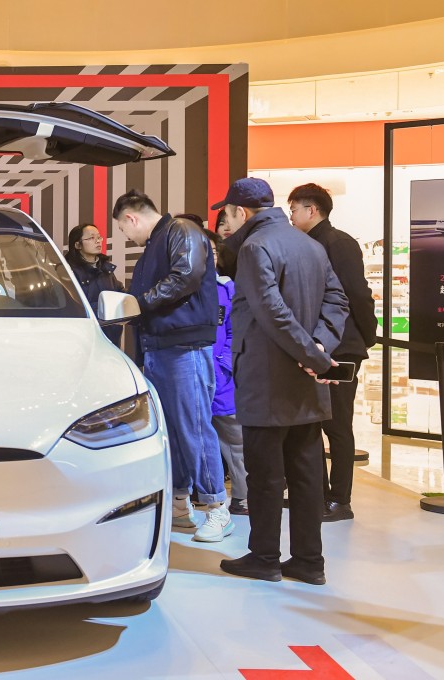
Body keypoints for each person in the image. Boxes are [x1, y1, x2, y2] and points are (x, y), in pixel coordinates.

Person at [214, 178, 349, 586]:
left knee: (266, 475)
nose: (227, 221)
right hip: (305, 383)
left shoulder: (256, 247)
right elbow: (337, 301)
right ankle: (309, 561)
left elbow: (270, 312)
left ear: (242, 212)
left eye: (229, 213)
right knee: (307, 474)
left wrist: (313, 355)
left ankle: (265, 557)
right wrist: (320, 349)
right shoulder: (310, 244)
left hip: (267, 380)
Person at [113, 190, 230, 543]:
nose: (125, 237)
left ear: (131, 218)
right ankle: (180, 505)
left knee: (194, 427)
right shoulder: (158, 241)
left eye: (122, 229)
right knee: (174, 432)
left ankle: (217, 508)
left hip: (185, 347)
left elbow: (186, 276)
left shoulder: (181, 230)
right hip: (161, 346)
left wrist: (139, 303)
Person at [288, 183, 378, 522]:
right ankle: (318, 495)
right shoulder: (309, 243)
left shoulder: (338, 243)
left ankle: (340, 500)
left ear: (312, 210)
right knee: (315, 422)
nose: (292, 216)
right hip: (318, 346)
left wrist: (366, 336)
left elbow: (357, 293)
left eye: (294, 209)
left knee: (337, 425)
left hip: (342, 347)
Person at [195, 216, 248, 516]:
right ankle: (199, 495)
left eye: (215, 252)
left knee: (235, 439)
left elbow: (234, 330)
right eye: (206, 251)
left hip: (222, 378)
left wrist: (225, 362)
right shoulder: (181, 288)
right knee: (194, 436)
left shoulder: (228, 289)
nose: (212, 257)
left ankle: (242, 496)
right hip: (190, 376)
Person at [64, 224, 125, 346]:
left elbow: (120, 294)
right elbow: (72, 308)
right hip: (83, 340)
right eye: (91, 238)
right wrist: (104, 309)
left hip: (110, 338)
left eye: (99, 237)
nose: (98, 241)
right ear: (77, 245)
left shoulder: (106, 269)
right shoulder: (68, 272)